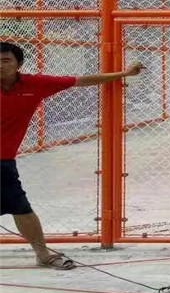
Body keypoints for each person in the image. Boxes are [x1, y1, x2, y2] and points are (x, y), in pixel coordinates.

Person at [0, 41, 143, 269]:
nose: (0, 65)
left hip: (4, 161)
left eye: (5, 60)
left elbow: (81, 80)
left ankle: (43, 255)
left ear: (19, 64)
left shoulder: (36, 84)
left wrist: (124, 74)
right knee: (20, 207)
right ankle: (43, 254)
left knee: (20, 207)